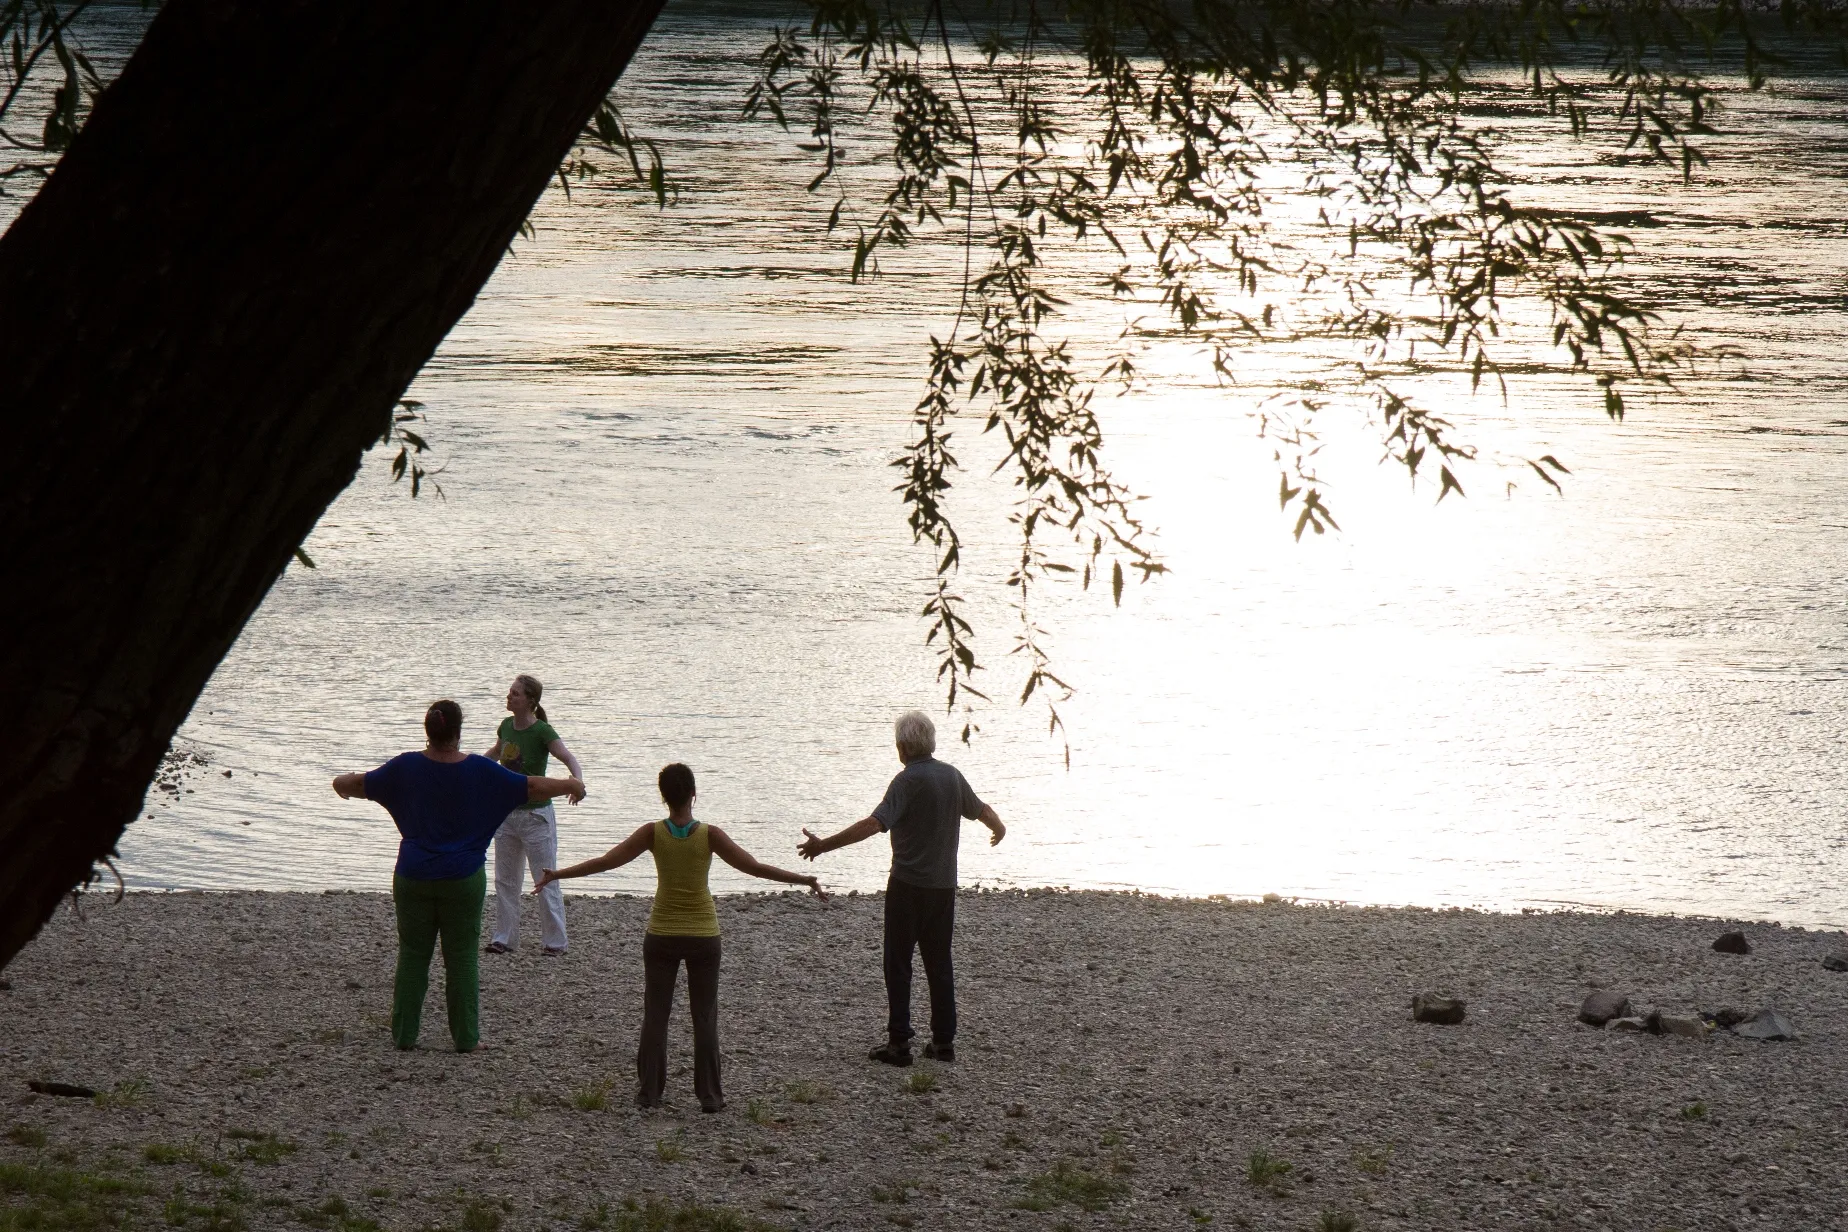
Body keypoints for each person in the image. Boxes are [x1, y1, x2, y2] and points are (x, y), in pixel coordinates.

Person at [534, 763, 826, 1112]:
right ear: (693, 794)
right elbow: (754, 867)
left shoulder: (652, 832)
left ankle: (649, 1094)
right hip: (704, 936)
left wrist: (557, 874)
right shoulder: (710, 834)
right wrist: (804, 879)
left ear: (663, 797)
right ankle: (710, 1097)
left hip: (661, 935)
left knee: (656, 1016)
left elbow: (607, 862)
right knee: (704, 1017)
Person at [332, 699, 585, 1053]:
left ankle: (404, 1035)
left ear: (428, 731)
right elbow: (531, 787)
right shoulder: (481, 770)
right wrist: (571, 784)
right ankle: (466, 1038)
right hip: (462, 879)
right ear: (458, 732)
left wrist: (339, 784)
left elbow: (357, 782)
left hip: (413, 875)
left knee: (413, 955)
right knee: (462, 958)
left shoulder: (405, 767)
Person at [798, 710, 1003, 1066]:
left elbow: (873, 824)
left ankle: (899, 1044)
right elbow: (981, 810)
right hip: (943, 888)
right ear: (930, 742)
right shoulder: (952, 776)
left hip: (907, 887)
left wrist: (823, 845)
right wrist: (999, 827)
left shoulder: (906, 781)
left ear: (903, 747)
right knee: (939, 963)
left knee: (898, 964)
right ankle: (943, 1042)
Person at [484, 674, 585, 956]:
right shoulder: (506, 726)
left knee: (546, 877)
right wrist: (469, 768)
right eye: (510, 692)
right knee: (505, 879)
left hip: (536, 817)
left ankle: (555, 942)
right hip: (506, 813)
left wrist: (577, 782)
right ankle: (504, 938)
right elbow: (495, 753)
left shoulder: (542, 731)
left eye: (515, 693)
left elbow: (568, 757)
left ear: (531, 701)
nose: (509, 696)